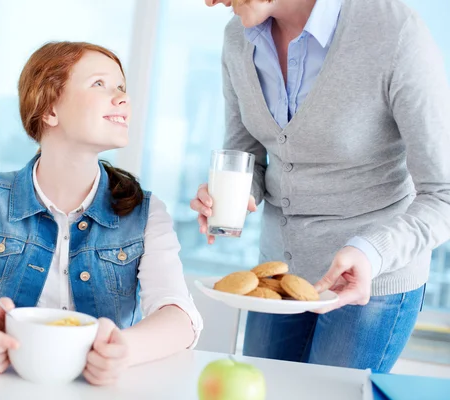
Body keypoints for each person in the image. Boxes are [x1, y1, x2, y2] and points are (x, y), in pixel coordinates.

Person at [0, 41, 203, 386]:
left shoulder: (145, 212)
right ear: (49, 110)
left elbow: (180, 317)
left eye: (121, 87)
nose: (122, 97)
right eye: (100, 84)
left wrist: (124, 350)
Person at [192, 0, 450, 372]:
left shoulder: (393, 31)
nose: (210, 1)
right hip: (280, 277)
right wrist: (234, 196)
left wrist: (370, 253)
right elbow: (245, 155)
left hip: (373, 278)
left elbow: (442, 193)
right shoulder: (238, 38)